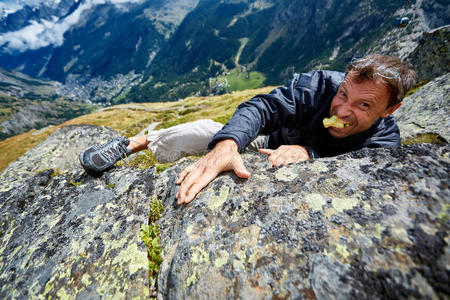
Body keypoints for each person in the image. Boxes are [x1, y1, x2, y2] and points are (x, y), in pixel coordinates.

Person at [79, 54, 415, 205]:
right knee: (207, 131)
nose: (342, 109)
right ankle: (131, 144)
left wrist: (310, 154)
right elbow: (264, 107)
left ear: (390, 110)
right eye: (344, 94)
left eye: (364, 105)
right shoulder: (320, 86)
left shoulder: (384, 146)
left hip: (288, 160)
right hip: (265, 142)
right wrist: (227, 144)